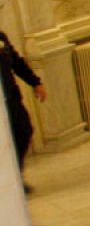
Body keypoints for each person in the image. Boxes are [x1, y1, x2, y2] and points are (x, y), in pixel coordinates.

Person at [0, 29, 45, 189]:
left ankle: (15, 177)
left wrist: (35, 82)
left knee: (24, 131)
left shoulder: (0, 36)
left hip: (11, 99)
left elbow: (16, 62)